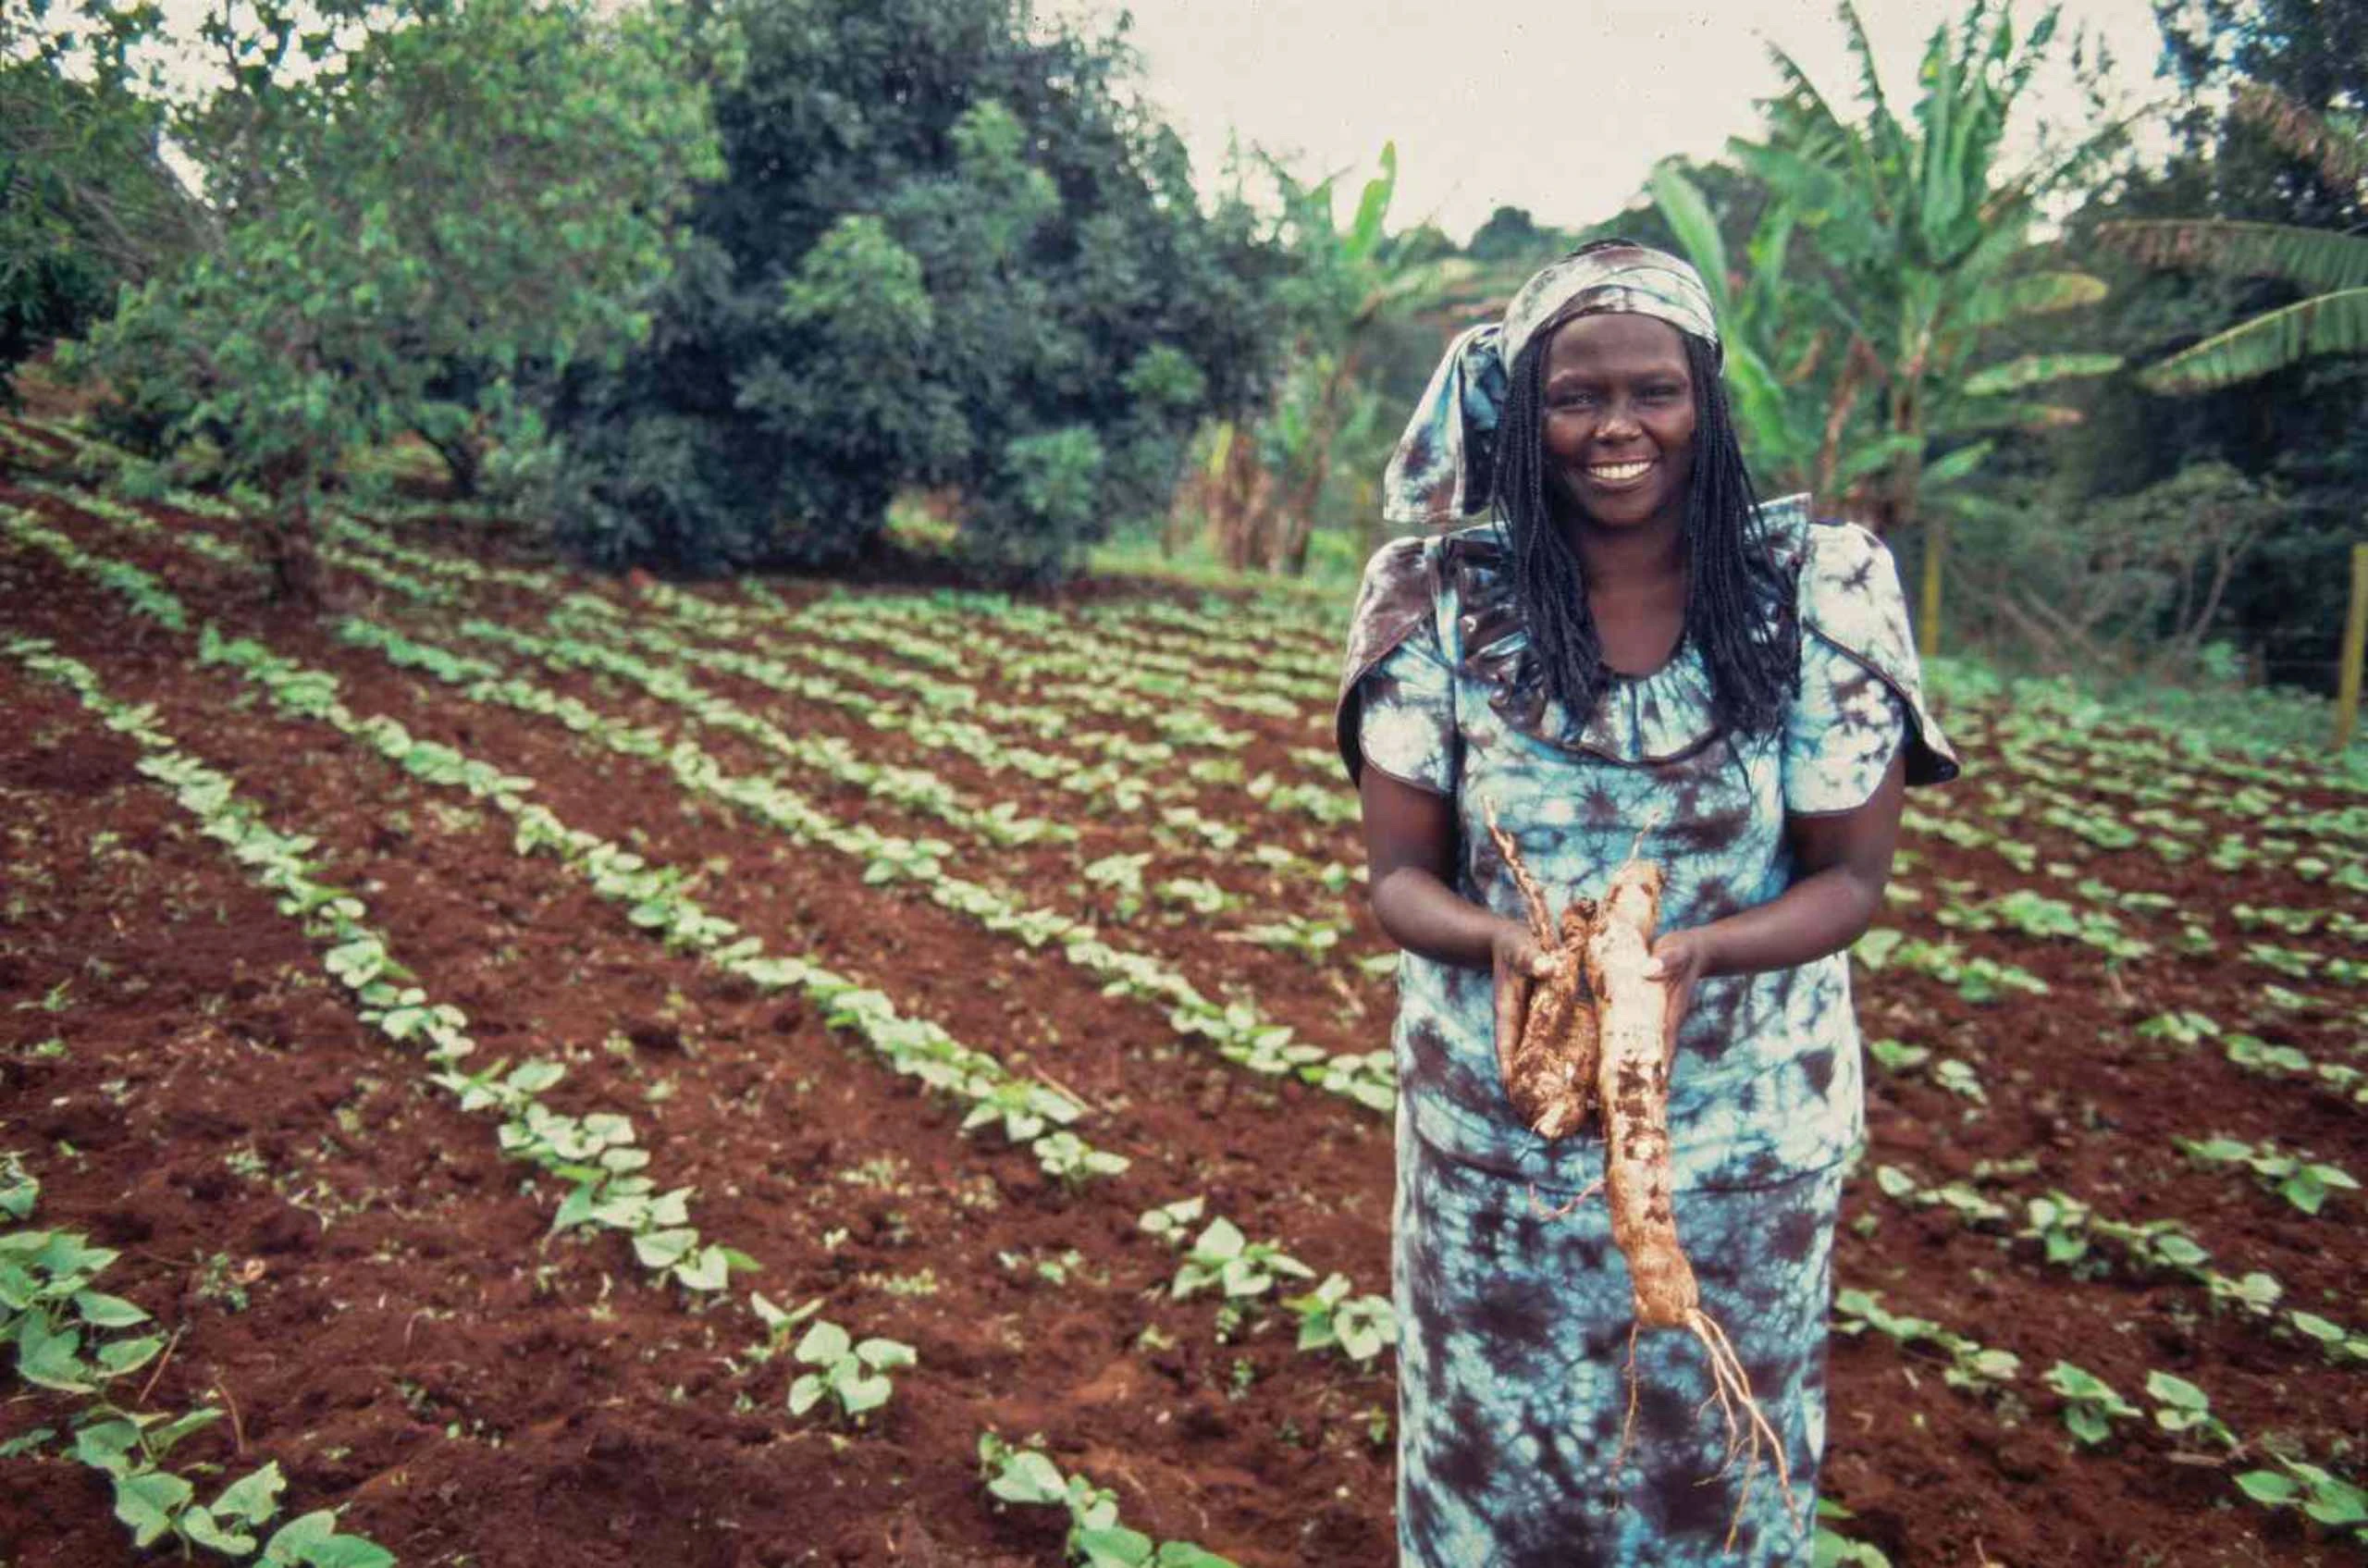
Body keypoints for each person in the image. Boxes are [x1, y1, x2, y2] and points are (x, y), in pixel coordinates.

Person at [1337, 239, 1960, 1567]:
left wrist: (1696, 956)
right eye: (1575, 397)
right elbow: (1398, 878)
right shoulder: (1436, 599)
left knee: (1714, 1482)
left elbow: (1850, 877)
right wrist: (1501, 936)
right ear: (1528, 416)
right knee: (1494, 1483)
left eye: (1653, 393)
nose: (1616, 428)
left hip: (1742, 1151)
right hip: (1494, 1158)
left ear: (1706, 402)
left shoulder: (1817, 591)